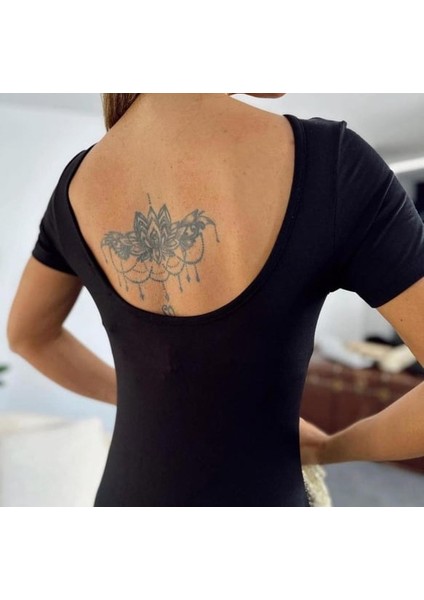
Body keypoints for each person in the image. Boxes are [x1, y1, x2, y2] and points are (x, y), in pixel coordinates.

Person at [6, 93, 424, 507]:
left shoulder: (77, 183)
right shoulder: (333, 163)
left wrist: (139, 395)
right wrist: (332, 447)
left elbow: (28, 336)